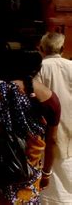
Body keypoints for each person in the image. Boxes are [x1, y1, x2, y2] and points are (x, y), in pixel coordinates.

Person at [0, 50, 61, 204]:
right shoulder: (48, 97)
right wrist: (46, 174)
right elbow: (52, 140)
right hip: (25, 172)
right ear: (37, 70)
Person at [36, 32, 72, 204]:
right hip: (70, 132)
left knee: (52, 188)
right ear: (63, 49)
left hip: (48, 134)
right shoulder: (71, 66)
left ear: (41, 49)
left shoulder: (38, 69)